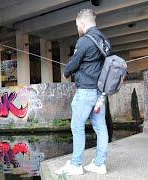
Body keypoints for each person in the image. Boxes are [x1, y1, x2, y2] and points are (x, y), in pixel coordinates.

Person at [55, 9, 111, 175]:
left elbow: (73, 63)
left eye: (77, 25)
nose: (77, 28)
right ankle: (99, 164)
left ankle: (76, 164)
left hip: (86, 91)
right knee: (101, 128)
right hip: (100, 92)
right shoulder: (105, 41)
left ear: (83, 23)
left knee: (77, 126)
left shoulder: (84, 41)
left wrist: (66, 72)